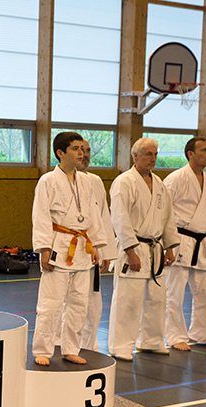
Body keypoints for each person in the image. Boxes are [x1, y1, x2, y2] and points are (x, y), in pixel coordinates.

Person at [32, 132, 106, 366]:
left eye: (82, 149)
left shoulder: (87, 181)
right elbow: (41, 215)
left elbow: (93, 214)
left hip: (83, 247)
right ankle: (42, 349)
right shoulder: (48, 180)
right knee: (51, 303)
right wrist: (44, 248)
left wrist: (96, 245)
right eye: (75, 149)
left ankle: (71, 348)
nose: (81, 153)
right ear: (60, 153)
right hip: (58, 244)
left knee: (79, 304)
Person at [107, 138, 179, 361]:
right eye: (148, 154)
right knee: (128, 299)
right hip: (134, 247)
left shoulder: (159, 183)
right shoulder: (124, 182)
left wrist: (169, 246)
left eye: (155, 154)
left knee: (158, 299)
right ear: (135, 156)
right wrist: (130, 251)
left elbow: (167, 217)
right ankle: (120, 346)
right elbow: (119, 219)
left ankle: (151, 341)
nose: (153, 158)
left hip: (155, 248)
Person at [55, 139, 116, 351]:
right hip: (66, 249)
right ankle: (59, 344)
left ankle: (89, 346)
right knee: (61, 300)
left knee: (91, 303)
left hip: (91, 250)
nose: (85, 154)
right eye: (79, 149)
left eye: (87, 150)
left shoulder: (94, 181)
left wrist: (106, 251)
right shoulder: (54, 180)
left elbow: (103, 216)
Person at [164, 136, 206, 351]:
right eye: (204, 150)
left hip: (202, 242)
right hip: (179, 239)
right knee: (173, 293)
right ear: (190, 154)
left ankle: (200, 334)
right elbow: (163, 211)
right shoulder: (175, 178)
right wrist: (167, 243)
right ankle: (175, 336)